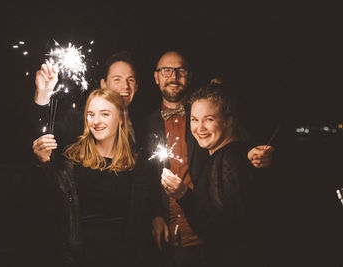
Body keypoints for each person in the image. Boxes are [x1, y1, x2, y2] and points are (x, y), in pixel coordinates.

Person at [140, 51, 273, 266]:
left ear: (189, 77)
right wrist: (154, 215)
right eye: (166, 71)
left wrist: (250, 152)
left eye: (180, 70)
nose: (173, 76)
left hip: (207, 240)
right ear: (156, 77)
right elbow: (144, 180)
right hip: (170, 238)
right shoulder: (145, 124)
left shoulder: (204, 107)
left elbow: (232, 140)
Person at [36, 88, 156, 267]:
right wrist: (43, 162)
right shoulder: (72, 160)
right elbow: (50, 204)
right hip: (79, 259)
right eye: (91, 114)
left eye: (105, 114)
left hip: (124, 259)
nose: (96, 121)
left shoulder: (138, 165)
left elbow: (143, 218)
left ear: (120, 118)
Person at [161, 83, 258, 266]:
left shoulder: (229, 159)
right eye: (194, 119)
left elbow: (225, 230)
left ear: (229, 121)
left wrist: (183, 195)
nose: (199, 128)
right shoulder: (222, 156)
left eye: (209, 119)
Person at [31, 51, 139, 162]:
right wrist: (43, 93)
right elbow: (44, 140)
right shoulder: (79, 120)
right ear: (103, 84)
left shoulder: (143, 125)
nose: (125, 86)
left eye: (131, 80)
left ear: (136, 86)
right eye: (117, 79)